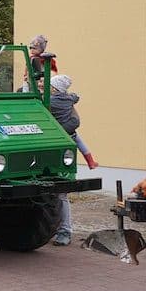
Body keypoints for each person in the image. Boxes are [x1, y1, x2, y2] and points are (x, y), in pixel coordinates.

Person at [48, 74, 96, 246]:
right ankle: (90, 160)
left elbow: (74, 121)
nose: (43, 85)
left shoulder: (51, 101)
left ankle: (65, 230)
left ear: (54, 88)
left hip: (62, 146)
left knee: (61, 193)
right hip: (58, 142)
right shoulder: (67, 99)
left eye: (47, 84)